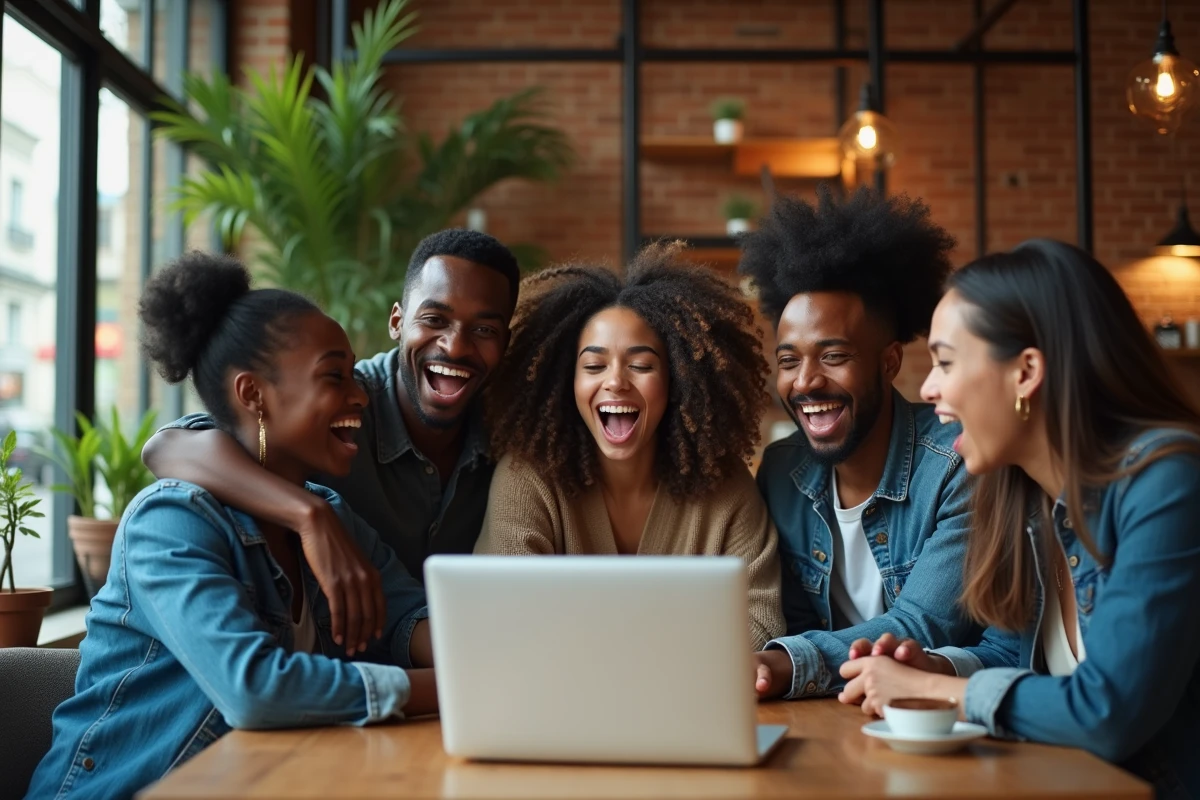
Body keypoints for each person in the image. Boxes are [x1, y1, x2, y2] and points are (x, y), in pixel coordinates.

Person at [27, 254, 437, 800]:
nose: (360, 394)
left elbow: (409, 619)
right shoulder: (171, 521)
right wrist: (445, 689)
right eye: (334, 376)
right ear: (252, 394)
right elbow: (256, 690)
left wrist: (491, 658)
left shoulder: (330, 514)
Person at [838, 239, 1200, 799]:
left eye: (946, 362)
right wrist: (937, 670)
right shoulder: (1026, 496)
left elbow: (1108, 711)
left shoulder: (1167, 484)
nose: (928, 387)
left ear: (1026, 371)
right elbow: (1012, 655)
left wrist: (937, 693)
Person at [141, 229, 519, 653]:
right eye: (434, 320)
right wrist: (308, 513)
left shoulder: (517, 434)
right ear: (397, 321)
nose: (456, 346)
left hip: (398, 682)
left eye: (484, 330)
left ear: (505, 342)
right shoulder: (336, 408)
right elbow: (168, 446)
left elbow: (404, 616)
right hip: (350, 688)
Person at [474, 241, 784, 649]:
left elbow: (761, 626)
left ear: (679, 382)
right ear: (566, 383)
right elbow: (505, 616)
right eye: (594, 365)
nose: (616, 381)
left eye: (641, 365)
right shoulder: (527, 480)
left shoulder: (726, 490)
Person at [738, 185, 979, 700]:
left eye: (833, 355)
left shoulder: (956, 462)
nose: (805, 383)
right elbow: (796, 619)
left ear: (888, 362)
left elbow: (924, 623)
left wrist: (786, 663)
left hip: (937, 724)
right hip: (834, 714)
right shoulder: (781, 473)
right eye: (788, 361)